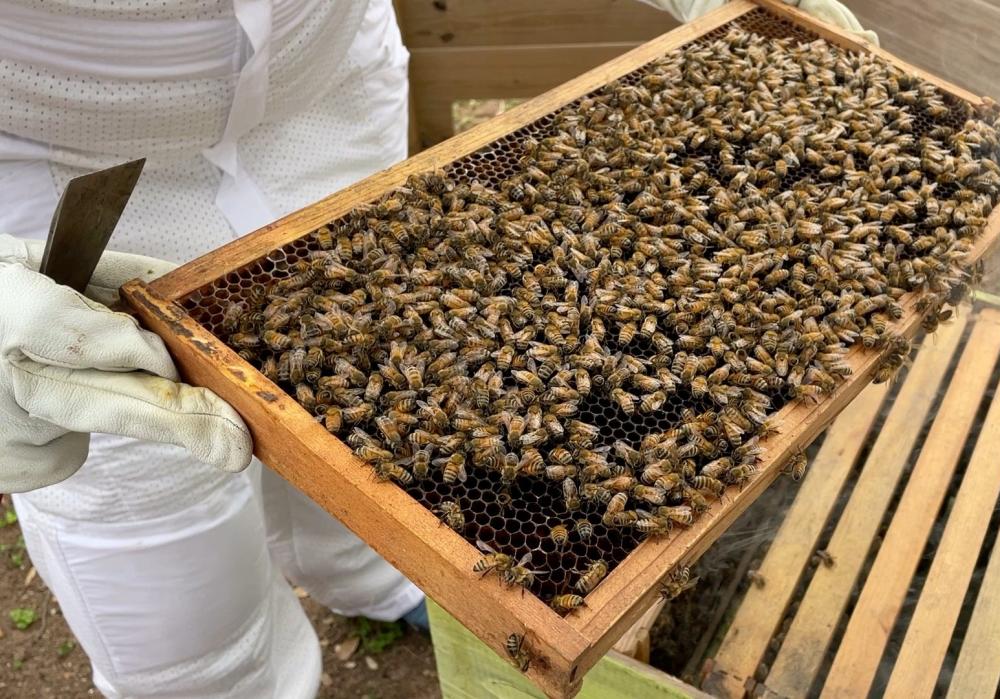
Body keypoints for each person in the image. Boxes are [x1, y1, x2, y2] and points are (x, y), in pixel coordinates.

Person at [0, 0, 870, 696]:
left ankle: (375, 584)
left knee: (383, 454)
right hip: (50, 208)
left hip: (327, 110)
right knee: (160, 538)